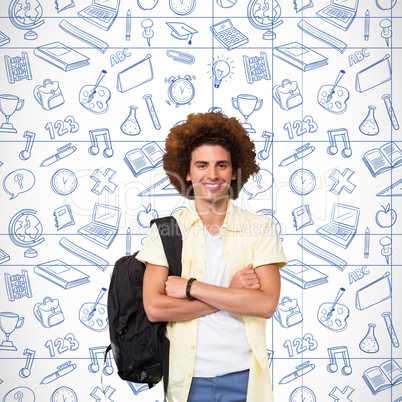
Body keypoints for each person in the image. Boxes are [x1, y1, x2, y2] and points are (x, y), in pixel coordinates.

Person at [136, 111, 287, 402]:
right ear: (187, 172)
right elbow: (155, 308)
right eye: (202, 165)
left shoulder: (260, 228)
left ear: (234, 172)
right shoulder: (165, 232)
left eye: (222, 165)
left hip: (244, 378)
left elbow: (266, 304)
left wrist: (192, 288)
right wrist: (230, 294)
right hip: (187, 381)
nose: (213, 175)